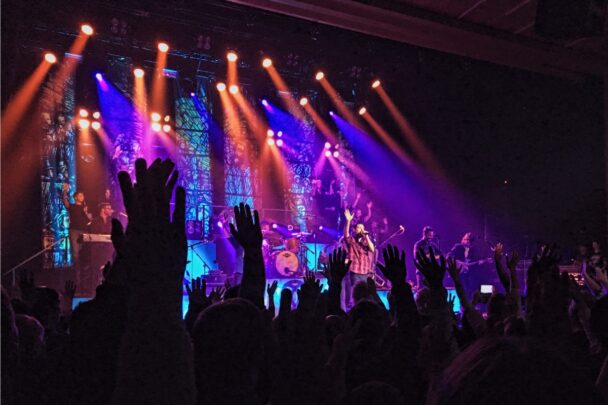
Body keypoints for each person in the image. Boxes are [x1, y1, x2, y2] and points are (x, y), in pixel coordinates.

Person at [343, 208, 375, 309]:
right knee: (356, 293)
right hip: (355, 271)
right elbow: (346, 235)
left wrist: (367, 237)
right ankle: (354, 309)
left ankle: (363, 310)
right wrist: (348, 221)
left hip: (365, 272)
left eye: (362, 228)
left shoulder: (366, 242)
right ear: (355, 230)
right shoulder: (352, 240)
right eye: (358, 228)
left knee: (365, 294)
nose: (360, 230)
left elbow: (372, 249)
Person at [62, 184, 92, 266]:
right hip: (74, 230)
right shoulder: (72, 206)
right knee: (75, 252)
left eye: (83, 196)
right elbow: (65, 202)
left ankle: (82, 269)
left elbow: (89, 221)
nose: (82, 197)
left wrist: (87, 214)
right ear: (75, 198)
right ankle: (76, 269)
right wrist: (65, 191)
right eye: (80, 195)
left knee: (83, 251)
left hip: (83, 230)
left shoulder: (84, 208)